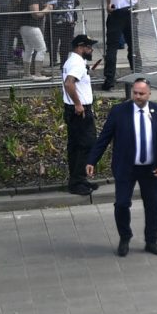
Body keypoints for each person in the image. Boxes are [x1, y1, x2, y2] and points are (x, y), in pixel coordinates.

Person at [86, 77, 157, 258]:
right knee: (122, 204)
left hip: (150, 169)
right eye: (135, 93)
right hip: (126, 167)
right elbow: (104, 137)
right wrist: (91, 160)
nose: (138, 96)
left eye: (142, 93)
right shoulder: (119, 112)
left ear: (149, 93)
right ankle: (124, 237)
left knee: (152, 205)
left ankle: (152, 241)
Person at [62, 35, 100, 196]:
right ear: (80, 47)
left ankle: (79, 180)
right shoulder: (76, 63)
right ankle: (77, 182)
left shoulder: (75, 61)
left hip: (73, 110)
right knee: (87, 145)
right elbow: (69, 83)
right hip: (79, 110)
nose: (91, 50)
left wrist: (89, 70)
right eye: (89, 47)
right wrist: (78, 104)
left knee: (76, 146)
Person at [101, 0, 140, 91]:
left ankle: (109, 81)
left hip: (117, 13)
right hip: (131, 11)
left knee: (112, 47)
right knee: (134, 46)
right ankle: (138, 76)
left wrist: (108, 3)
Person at [19, 0, 52, 81]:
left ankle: (27, 74)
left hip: (25, 27)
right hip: (31, 27)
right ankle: (38, 74)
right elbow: (36, 14)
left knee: (29, 49)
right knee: (41, 49)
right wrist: (47, 9)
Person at [47, 0, 79, 66]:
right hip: (63, 17)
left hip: (58, 16)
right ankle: (63, 64)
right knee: (65, 42)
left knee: (55, 40)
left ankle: (55, 61)